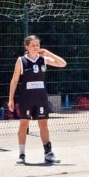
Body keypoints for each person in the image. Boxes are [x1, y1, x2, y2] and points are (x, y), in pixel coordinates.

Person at [7, 35, 68, 165]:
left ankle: (48, 153)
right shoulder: (21, 60)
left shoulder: (43, 59)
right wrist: (10, 99)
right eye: (33, 45)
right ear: (27, 46)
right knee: (24, 124)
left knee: (43, 124)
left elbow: (63, 64)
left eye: (37, 45)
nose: (36, 47)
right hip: (26, 97)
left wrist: (48, 53)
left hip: (41, 97)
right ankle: (21, 154)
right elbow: (14, 80)